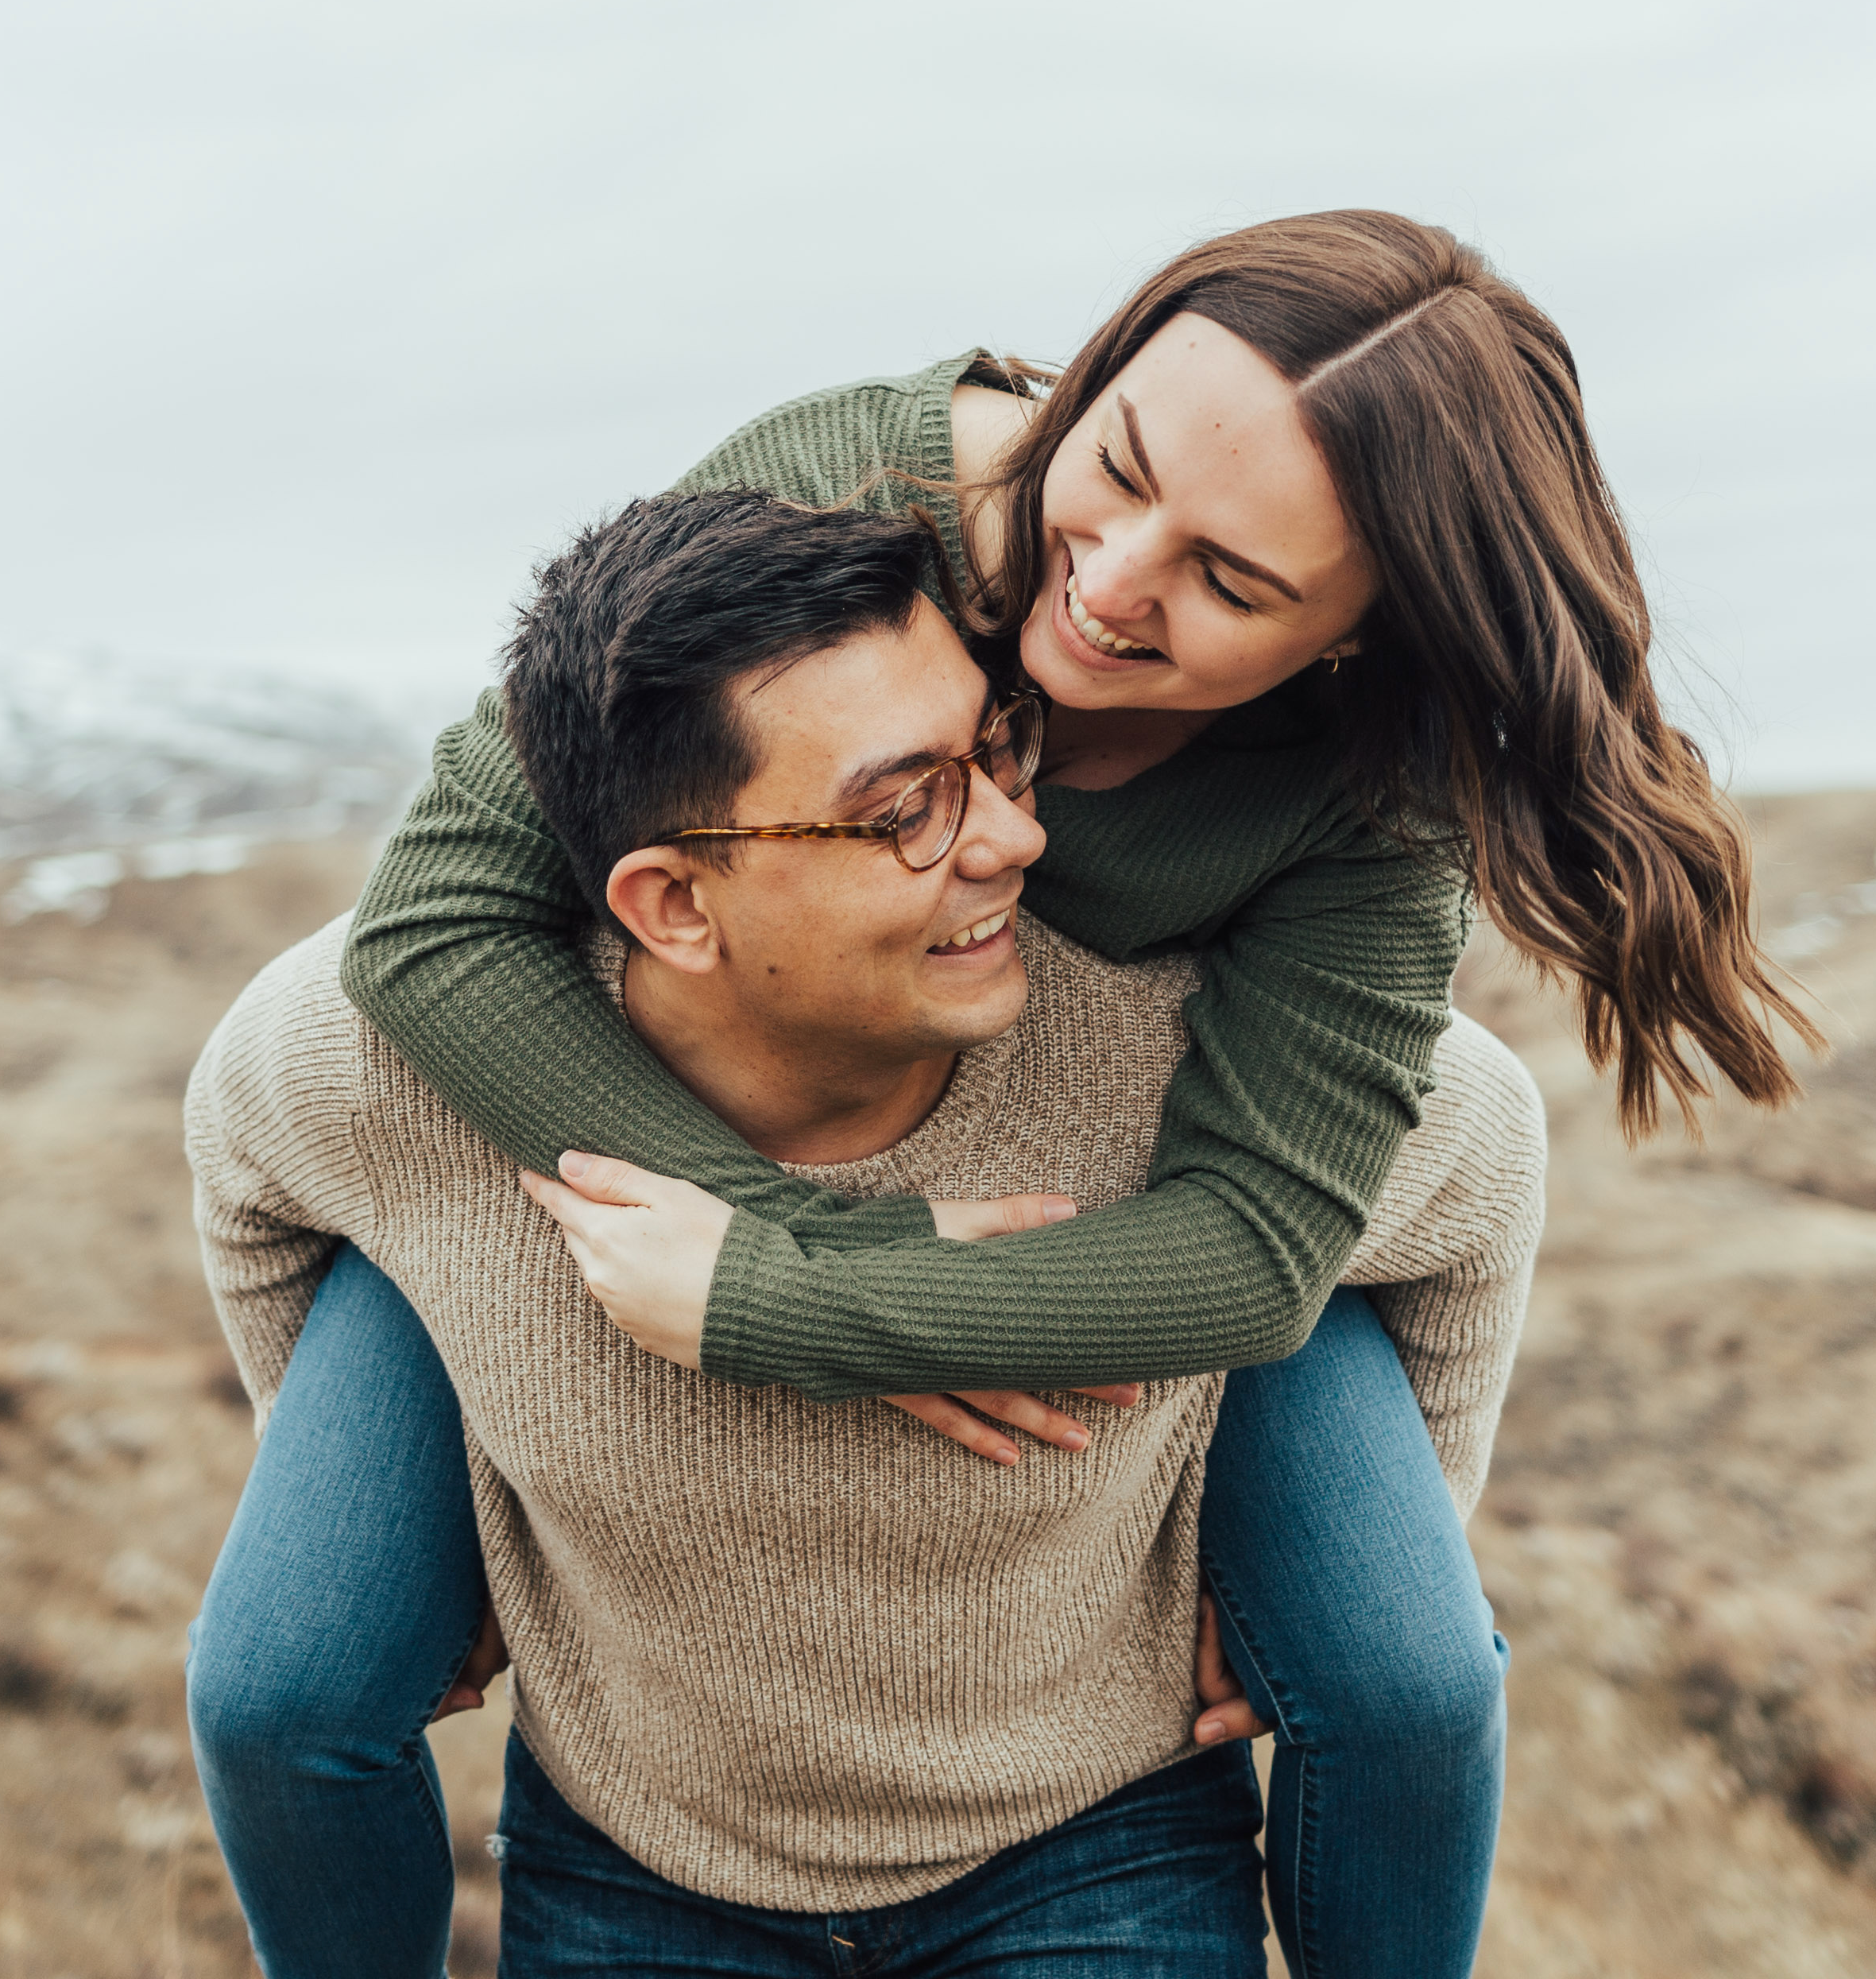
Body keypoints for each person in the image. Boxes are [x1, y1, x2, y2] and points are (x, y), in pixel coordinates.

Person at [188, 210, 1805, 1975]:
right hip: (641, 1146)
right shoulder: (849, 496)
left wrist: (805, 1307)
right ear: (1093, 375)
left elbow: (1269, 1243)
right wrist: (764, 1258)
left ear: (1357, 639)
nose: (1107, 583)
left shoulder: (1368, 791)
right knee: (276, 1685)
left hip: (1158, 1237)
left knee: (1407, 1682)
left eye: (1231, 584)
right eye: (1108, 470)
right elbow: (431, 918)